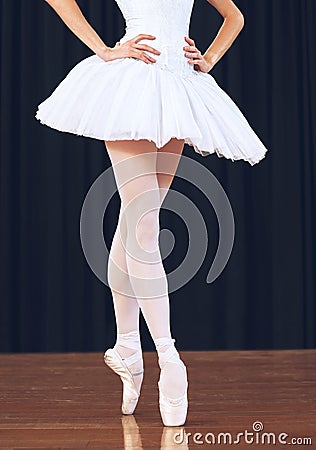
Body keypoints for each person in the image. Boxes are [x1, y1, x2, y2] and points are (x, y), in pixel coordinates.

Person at [35, 0, 268, 427]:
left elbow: (235, 15)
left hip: (177, 86)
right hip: (133, 83)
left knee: (135, 219)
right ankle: (168, 356)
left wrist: (209, 58)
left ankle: (127, 347)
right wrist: (104, 49)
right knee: (144, 222)